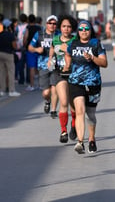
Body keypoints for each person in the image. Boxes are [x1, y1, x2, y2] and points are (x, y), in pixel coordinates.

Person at [63, 20, 108, 154]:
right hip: (76, 82)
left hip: (93, 83)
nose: (84, 31)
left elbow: (104, 63)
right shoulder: (73, 43)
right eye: (81, 29)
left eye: (86, 29)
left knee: (91, 115)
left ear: (90, 30)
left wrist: (92, 58)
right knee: (80, 110)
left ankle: (92, 138)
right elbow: (67, 53)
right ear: (78, 31)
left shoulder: (96, 43)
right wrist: (67, 64)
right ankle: (80, 142)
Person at [48, 15, 78, 143]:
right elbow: (51, 55)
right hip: (59, 74)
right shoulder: (55, 40)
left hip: (74, 74)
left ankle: (74, 125)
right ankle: (63, 131)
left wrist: (69, 50)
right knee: (64, 102)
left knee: (74, 106)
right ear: (60, 27)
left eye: (69, 26)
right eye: (64, 26)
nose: (66, 29)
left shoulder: (76, 39)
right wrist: (50, 61)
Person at [28, 15, 59, 117]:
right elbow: (30, 47)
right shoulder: (39, 34)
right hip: (43, 65)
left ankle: (53, 110)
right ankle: (48, 101)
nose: (52, 25)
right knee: (46, 92)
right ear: (46, 24)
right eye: (50, 23)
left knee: (55, 88)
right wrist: (37, 50)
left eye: (54, 24)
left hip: (56, 65)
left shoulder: (59, 34)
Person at [0, 19, 21, 97]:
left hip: (0, 53)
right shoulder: (11, 35)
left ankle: (2, 90)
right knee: (11, 72)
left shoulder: (0, 34)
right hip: (9, 54)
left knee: (2, 72)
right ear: (9, 27)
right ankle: (11, 90)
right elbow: (14, 45)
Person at [24, 14, 42, 91]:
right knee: (38, 67)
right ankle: (40, 85)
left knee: (31, 68)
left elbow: (25, 38)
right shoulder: (39, 28)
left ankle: (32, 85)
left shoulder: (28, 28)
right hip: (39, 48)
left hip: (30, 49)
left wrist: (25, 45)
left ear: (28, 20)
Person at [15, 14, 28, 85]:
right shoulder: (28, 26)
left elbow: (15, 35)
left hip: (19, 46)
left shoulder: (18, 27)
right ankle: (28, 79)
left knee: (20, 63)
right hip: (27, 46)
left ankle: (21, 80)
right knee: (28, 64)